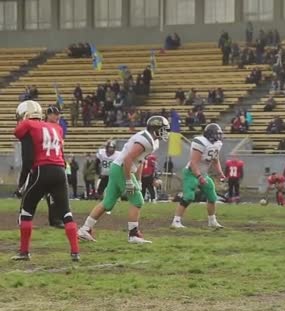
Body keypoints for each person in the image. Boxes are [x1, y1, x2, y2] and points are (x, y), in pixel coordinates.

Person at [78, 116, 169, 244]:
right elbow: (128, 159)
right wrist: (128, 180)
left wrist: (139, 180)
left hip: (117, 168)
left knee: (107, 203)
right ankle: (133, 234)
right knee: (137, 200)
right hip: (121, 168)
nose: (165, 132)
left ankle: (85, 229)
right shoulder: (145, 140)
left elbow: (140, 161)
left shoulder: (153, 141)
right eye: (163, 129)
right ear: (155, 129)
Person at [13, 101, 80, 261]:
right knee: (66, 213)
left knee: (26, 212)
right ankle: (75, 252)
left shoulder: (28, 125)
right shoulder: (56, 127)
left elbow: (27, 159)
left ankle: (24, 252)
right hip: (60, 171)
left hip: (42, 170)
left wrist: (21, 184)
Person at [14, 103, 64, 228]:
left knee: (43, 193)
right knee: (34, 193)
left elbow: (27, 157)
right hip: (43, 165)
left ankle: (27, 218)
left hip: (42, 165)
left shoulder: (31, 126)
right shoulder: (46, 127)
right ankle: (25, 218)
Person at [171, 124, 225, 229]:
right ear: (210, 134)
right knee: (189, 197)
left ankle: (212, 221)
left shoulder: (217, 144)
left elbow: (215, 159)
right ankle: (176, 221)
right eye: (216, 134)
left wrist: (220, 173)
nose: (218, 137)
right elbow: (193, 163)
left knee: (212, 195)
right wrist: (199, 176)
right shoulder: (200, 142)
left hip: (203, 174)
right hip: (191, 173)